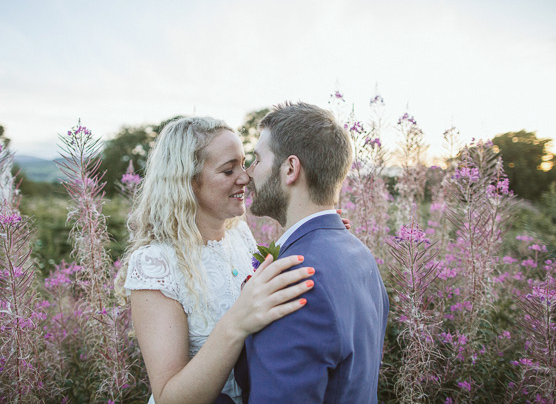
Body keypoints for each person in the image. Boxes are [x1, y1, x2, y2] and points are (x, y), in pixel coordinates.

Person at [114, 116, 320, 404]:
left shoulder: (239, 234)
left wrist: (314, 236)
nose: (245, 177)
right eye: (228, 170)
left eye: (244, 163)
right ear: (187, 181)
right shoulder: (155, 264)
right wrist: (236, 323)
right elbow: (169, 398)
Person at [235, 102, 389, 403]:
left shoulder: (295, 280)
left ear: (290, 168)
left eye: (256, 159)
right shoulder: (360, 254)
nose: (249, 173)